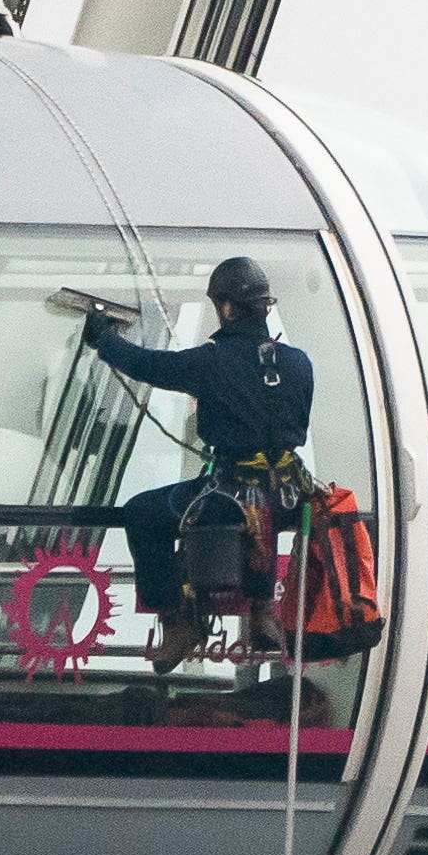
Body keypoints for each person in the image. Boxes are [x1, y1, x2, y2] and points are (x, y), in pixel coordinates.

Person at [86, 257, 316, 675]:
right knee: (257, 506)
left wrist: (105, 339)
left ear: (226, 307)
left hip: (228, 499)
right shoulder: (299, 363)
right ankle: (263, 609)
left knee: (143, 514)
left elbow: (148, 365)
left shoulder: (213, 361)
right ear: (264, 306)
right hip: (288, 496)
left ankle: (176, 618)